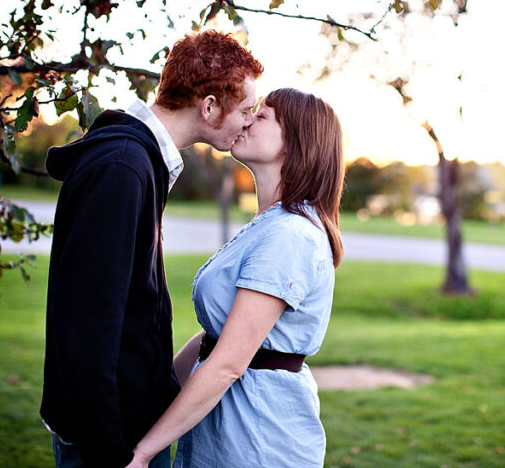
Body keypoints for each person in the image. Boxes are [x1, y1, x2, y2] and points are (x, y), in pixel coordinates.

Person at [40, 30, 263, 468]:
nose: (249, 121)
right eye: (245, 109)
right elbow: (87, 326)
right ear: (210, 106)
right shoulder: (122, 167)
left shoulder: (136, 160)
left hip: (128, 427)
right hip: (111, 442)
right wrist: (112, 451)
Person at [125, 88, 345, 468]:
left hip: (259, 439)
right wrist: (156, 398)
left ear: (295, 143)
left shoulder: (290, 236)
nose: (246, 119)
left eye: (262, 116)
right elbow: (217, 336)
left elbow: (228, 362)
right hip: (229, 432)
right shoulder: (269, 223)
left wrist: (142, 454)